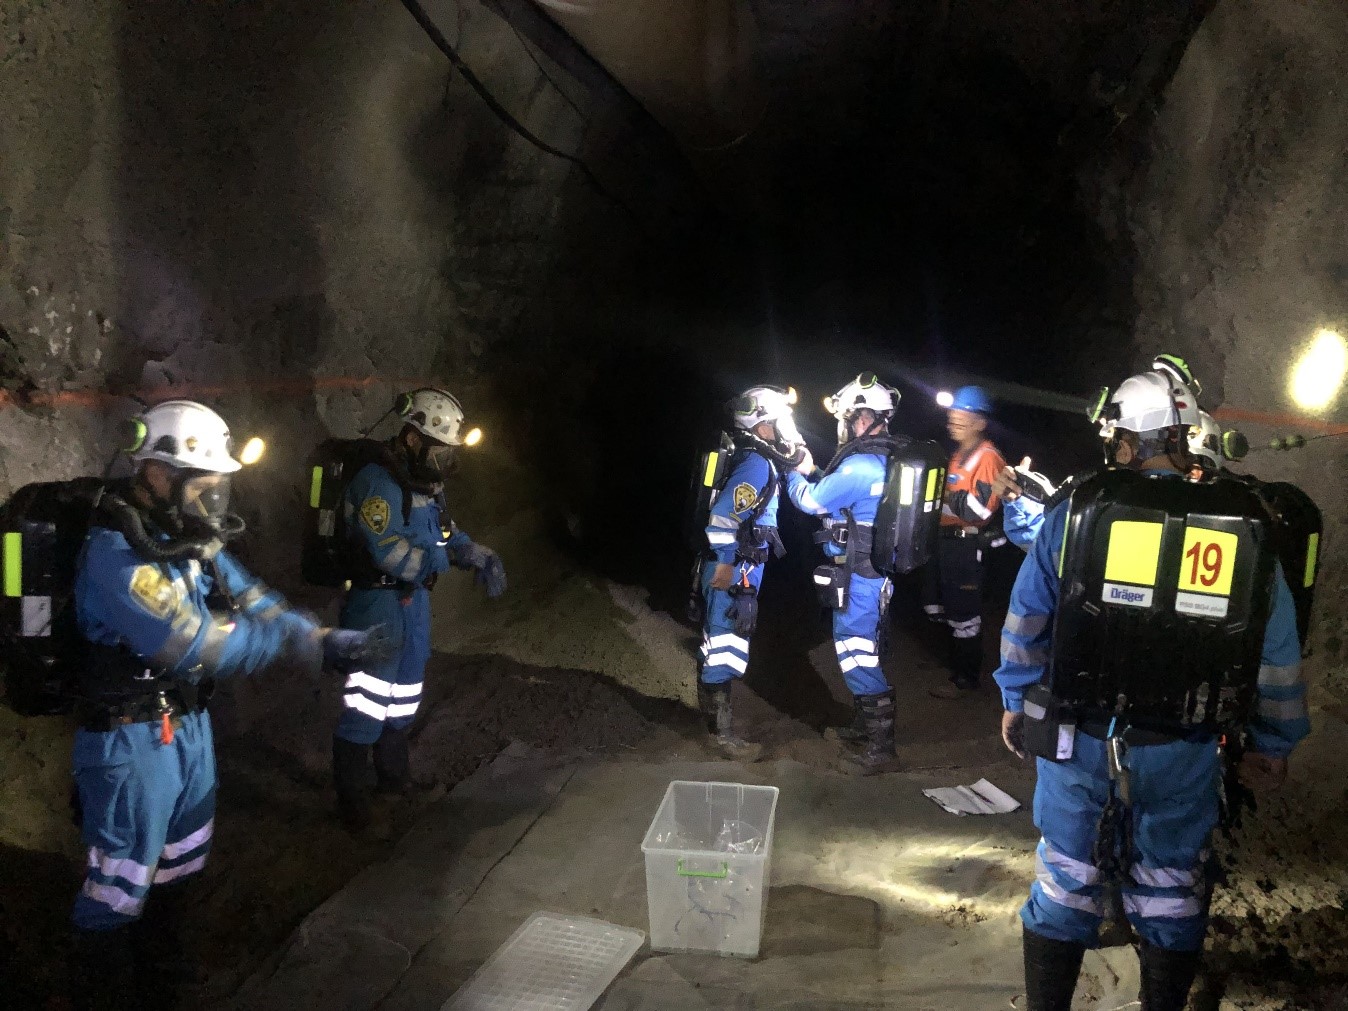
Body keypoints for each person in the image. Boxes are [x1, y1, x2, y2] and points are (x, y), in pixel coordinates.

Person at [993, 371, 1307, 1011]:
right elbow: (1276, 656)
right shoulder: (1241, 528)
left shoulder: (1076, 514)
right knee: (1170, 889)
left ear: (1128, 440)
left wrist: (1015, 698)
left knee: (1065, 884)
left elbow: (1026, 619)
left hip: (1079, 741)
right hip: (1182, 749)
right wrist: (1273, 742)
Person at [71, 400, 385, 1009]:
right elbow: (195, 644)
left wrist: (315, 635)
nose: (210, 499)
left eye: (217, 485)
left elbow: (252, 596)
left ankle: (165, 978)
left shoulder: (181, 537)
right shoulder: (116, 554)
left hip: (185, 727)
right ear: (158, 471)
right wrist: (290, 644)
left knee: (182, 859)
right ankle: (105, 990)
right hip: (131, 740)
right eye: (201, 484)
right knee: (119, 881)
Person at [332, 387, 505, 830]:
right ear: (413, 438)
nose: (444, 460)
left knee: (402, 699)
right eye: (440, 450)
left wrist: (470, 550)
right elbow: (387, 552)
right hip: (376, 605)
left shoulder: (424, 486)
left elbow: (443, 532)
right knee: (367, 704)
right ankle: (354, 805)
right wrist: (443, 560)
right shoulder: (377, 482)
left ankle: (394, 782)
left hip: (412, 605)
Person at [785, 373, 902, 775]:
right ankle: (864, 727)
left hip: (859, 576)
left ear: (862, 418)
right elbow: (841, 494)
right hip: (872, 572)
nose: (844, 427)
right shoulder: (883, 460)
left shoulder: (860, 465)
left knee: (856, 650)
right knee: (862, 647)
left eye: (847, 419)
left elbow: (810, 502)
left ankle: (880, 748)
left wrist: (792, 471)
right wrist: (815, 471)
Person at [696, 385, 804, 760]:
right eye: (779, 421)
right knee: (724, 642)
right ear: (762, 426)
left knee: (719, 639)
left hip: (737, 565)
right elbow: (723, 516)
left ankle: (713, 726)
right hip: (733, 568)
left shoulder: (758, 459)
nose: (785, 428)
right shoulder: (757, 464)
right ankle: (721, 736)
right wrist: (727, 561)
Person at [923, 386, 1007, 698]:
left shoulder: (988, 458)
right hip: (948, 544)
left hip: (967, 547)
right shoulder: (958, 456)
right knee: (944, 609)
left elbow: (978, 510)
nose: (954, 420)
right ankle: (956, 669)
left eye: (963, 415)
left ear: (980, 422)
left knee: (965, 617)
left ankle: (966, 680)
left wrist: (942, 492)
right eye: (953, 414)